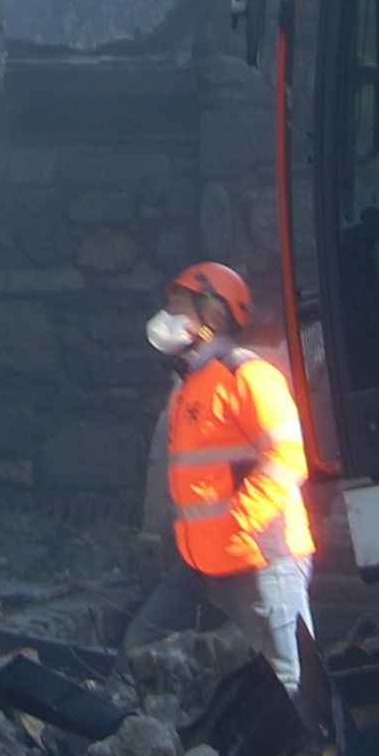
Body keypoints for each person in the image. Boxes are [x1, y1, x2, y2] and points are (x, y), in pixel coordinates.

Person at [151, 261, 316, 699]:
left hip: (261, 561)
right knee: (141, 647)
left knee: (293, 680)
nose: (168, 315)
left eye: (179, 305)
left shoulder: (248, 375)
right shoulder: (188, 386)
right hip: (203, 566)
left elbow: (287, 457)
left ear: (215, 315)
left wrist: (241, 523)